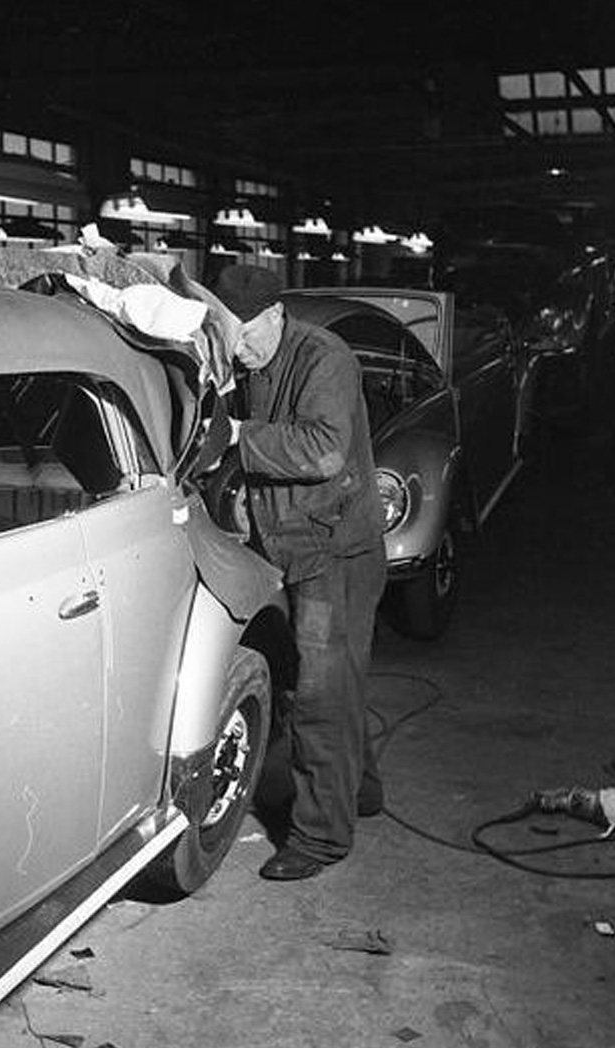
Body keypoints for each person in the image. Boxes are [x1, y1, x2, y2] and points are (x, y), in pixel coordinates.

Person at [209, 264, 387, 880]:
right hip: (291, 545)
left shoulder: (323, 357)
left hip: (333, 551)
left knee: (318, 696)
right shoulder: (247, 361)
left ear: (278, 314)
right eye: (231, 335)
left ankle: (320, 837)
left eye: (250, 332)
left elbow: (322, 449)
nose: (241, 347)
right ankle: (358, 791)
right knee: (335, 684)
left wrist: (236, 435)